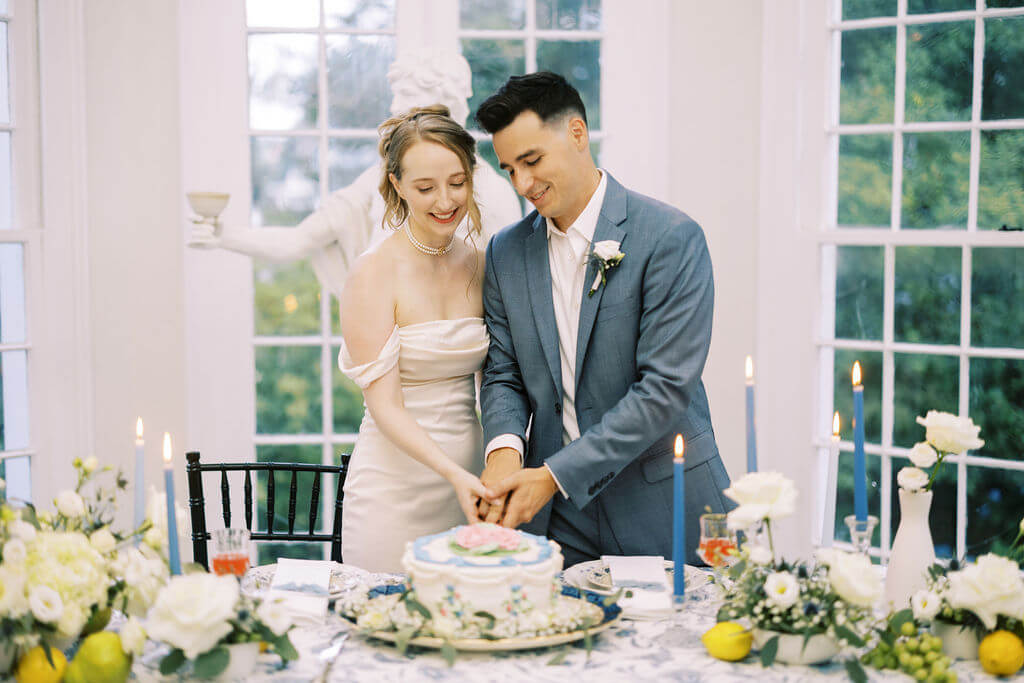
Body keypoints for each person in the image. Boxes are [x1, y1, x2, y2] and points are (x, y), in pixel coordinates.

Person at [475, 72, 732, 567]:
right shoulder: (505, 253)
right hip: (557, 523)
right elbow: (503, 373)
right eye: (509, 170)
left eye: (531, 161)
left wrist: (553, 475)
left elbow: (664, 389)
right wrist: (503, 451)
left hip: (664, 502)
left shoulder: (670, 237)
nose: (522, 184)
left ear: (577, 134)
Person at [188, 49, 521, 298]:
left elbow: (509, 298)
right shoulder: (377, 183)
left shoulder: (492, 194)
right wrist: (224, 236)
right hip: (389, 341)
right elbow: (299, 240)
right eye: (404, 116)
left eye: (422, 115)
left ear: (454, 116)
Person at [337, 105, 492, 572]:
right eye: (425, 187)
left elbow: (499, 383)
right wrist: (453, 473)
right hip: (393, 492)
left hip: (472, 487)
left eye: (457, 182)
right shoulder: (372, 272)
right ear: (397, 185)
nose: (445, 200)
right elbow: (385, 407)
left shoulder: (482, 266)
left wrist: (491, 470)